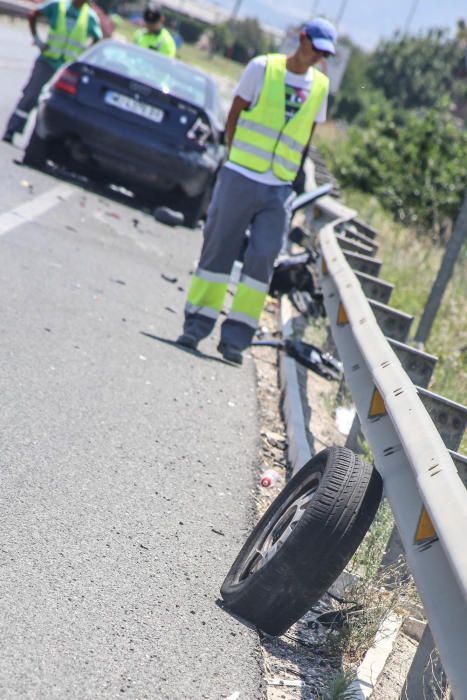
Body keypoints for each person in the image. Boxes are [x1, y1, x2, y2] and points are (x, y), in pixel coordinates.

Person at [177, 18, 337, 365]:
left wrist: (293, 177)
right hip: (241, 175)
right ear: (302, 39)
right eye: (317, 49)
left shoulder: (321, 86)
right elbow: (234, 114)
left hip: (278, 186)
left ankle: (236, 338)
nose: (318, 58)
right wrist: (233, 158)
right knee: (219, 250)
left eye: (325, 54)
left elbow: (307, 135)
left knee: (264, 256)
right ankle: (197, 324)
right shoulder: (262, 68)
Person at [2, 0, 102, 144]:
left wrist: (84, 56)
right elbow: (34, 14)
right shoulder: (58, 6)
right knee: (31, 96)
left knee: (56, 103)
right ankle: (12, 130)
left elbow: (97, 39)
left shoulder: (90, 17)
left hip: (67, 69)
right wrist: (37, 39)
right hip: (48, 61)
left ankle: (40, 141)